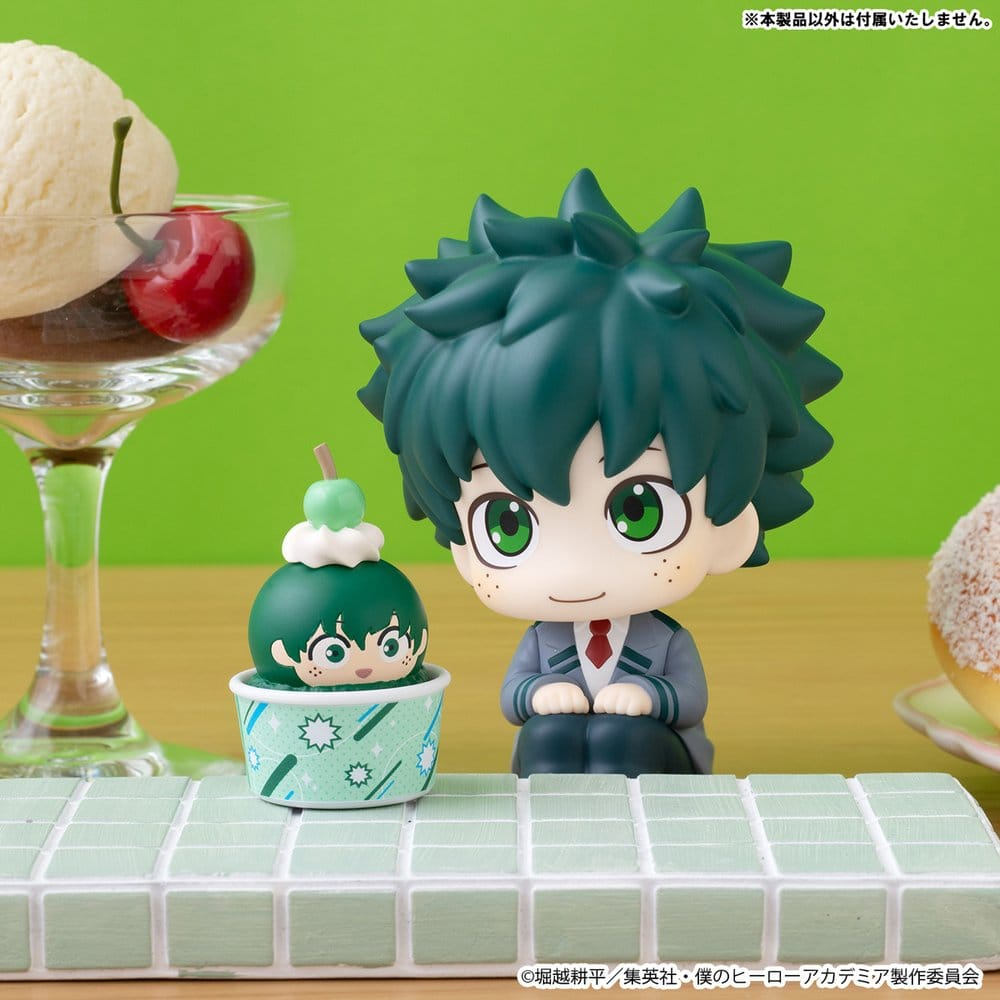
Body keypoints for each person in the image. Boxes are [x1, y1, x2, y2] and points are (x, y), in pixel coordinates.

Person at [358, 169, 840, 775]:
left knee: (623, 740)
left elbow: (689, 698)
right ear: (459, 541)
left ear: (731, 528)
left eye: (640, 511)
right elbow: (514, 696)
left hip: (656, 755)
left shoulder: (666, 642)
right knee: (548, 740)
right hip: (549, 754)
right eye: (507, 523)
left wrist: (650, 698)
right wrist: (537, 695)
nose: (572, 573)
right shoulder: (543, 642)